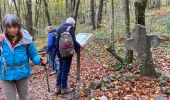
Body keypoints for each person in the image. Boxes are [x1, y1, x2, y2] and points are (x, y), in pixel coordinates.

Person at [0, 14, 47, 100]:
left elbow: (33, 55)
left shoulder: (26, 39)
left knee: (23, 98)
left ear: (19, 26)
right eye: (9, 27)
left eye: (15, 26)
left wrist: (40, 60)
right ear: (5, 28)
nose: (12, 30)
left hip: (22, 73)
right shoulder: (1, 40)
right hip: (6, 75)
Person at [55, 17, 82, 94]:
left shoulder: (59, 28)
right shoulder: (70, 29)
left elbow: (57, 41)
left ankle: (58, 88)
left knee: (61, 69)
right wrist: (79, 46)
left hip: (59, 52)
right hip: (67, 52)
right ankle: (64, 88)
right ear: (72, 23)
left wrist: (57, 52)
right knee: (65, 70)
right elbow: (73, 41)